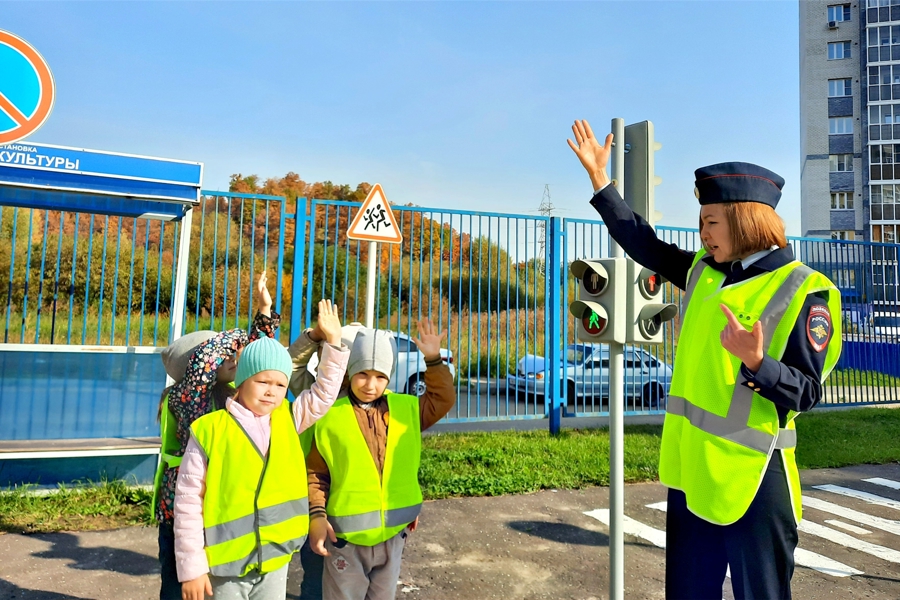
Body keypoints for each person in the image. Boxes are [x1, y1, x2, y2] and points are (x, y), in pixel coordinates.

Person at [568, 119, 842, 600]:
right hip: (693, 474)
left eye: (710, 223)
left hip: (754, 479)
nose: (702, 234)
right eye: (700, 224)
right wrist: (600, 181)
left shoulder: (805, 290)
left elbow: (807, 391)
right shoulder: (704, 271)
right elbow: (644, 243)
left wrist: (758, 363)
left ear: (744, 221)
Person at [174, 299, 348, 600]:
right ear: (240, 383)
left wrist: (333, 342)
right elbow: (188, 501)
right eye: (262, 381)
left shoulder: (289, 418)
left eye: (280, 385)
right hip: (225, 566)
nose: (272, 391)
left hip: (276, 559)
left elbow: (323, 393)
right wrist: (192, 567)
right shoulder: (209, 429)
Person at [306, 320, 455, 600]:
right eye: (363, 374)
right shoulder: (329, 415)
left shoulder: (406, 408)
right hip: (345, 540)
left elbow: (442, 398)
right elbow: (316, 473)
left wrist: (433, 360)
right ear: (351, 371)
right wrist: (316, 515)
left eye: (380, 377)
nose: (371, 385)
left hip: (393, 535)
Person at [155, 272, 279, 600]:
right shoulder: (188, 396)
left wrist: (264, 311)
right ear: (200, 364)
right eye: (224, 355)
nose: (234, 358)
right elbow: (210, 360)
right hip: (182, 507)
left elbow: (261, 357)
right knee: (178, 585)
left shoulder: (229, 393)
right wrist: (237, 335)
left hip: (214, 504)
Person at [287, 320, 364, 600]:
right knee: (316, 578)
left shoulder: (371, 406)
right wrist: (313, 336)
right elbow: (290, 366)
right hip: (314, 501)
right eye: (323, 353)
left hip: (353, 508)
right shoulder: (314, 395)